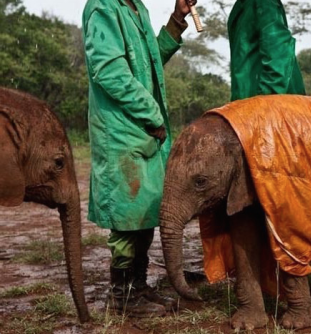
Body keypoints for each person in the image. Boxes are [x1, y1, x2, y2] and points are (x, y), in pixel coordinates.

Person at [82, 0, 195, 317]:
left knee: (145, 208)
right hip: (120, 129)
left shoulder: (137, 9)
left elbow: (150, 62)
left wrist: (176, 19)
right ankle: (121, 297)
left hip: (143, 129)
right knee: (126, 213)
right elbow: (109, 72)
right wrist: (152, 114)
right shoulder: (103, 8)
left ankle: (138, 286)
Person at [227, 0, 305, 101]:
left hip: (271, 106)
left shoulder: (263, 2)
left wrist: (264, 104)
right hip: (246, 103)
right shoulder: (243, 5)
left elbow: (278, 57)